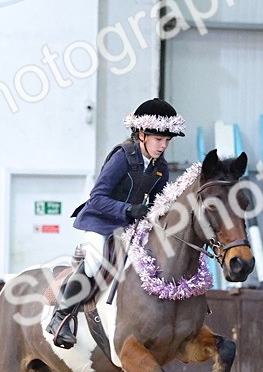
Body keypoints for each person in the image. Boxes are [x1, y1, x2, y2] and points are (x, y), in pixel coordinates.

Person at [47, 98, 186, 349]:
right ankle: (61, 317)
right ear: (142, 134)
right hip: (100, 222)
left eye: (167, 141)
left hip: (130, 226)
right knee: (95, 261)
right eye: (158, 140)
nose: (163, 146)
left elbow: (158, 204)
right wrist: (129, 209)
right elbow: (97, 198)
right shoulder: (122, 157)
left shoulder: (160, 167)